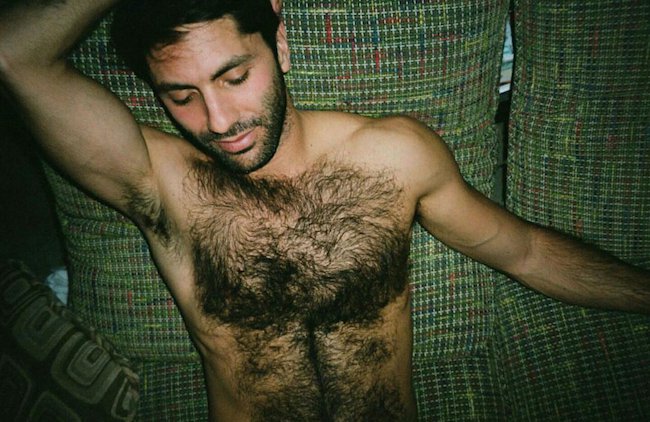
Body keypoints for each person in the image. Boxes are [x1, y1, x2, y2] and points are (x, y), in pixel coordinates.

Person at [0, 0, 648, 420]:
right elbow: (14, 53)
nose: (219, 121)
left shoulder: (394, 156)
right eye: (181, 95)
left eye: (233, 76)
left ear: (278, 44)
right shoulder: (162, 182)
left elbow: (526, 252)